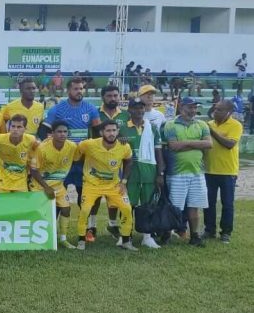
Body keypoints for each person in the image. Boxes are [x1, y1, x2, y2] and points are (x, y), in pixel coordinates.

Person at [41, 77, 101, 229]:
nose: (79, 91)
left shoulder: (90, 108)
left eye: (81, 88)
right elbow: (44, 130)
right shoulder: (58, 109)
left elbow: (98, 133)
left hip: (82, 160)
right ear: (68, 90)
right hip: (63, 160)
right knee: (57, 195)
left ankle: (88, 227)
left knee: (84, 194)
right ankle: (51, 229)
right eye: (76, 89)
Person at [75, 120, 136, 251]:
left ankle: (126, 241)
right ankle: (81, 240)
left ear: (118, 132)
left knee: (127, 209)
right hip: (92, 185)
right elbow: (77, 154)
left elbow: (129, 161)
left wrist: (124, 181)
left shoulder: (124, 146)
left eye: (114, 130)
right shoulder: (89, 144)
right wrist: (86, 170)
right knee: (85, 210)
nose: (111, 133)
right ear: (102, 132)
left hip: (113, 185)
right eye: (108, 131)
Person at [160, 97, 213, 247]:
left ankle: (194, 235)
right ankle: (167, 234)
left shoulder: (202, 124)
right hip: (177, 173)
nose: (193, 110)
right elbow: (174, 146)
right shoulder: (170, 125)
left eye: (195, 107)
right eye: (190, 107)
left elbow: (209, 144)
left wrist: (186, 143)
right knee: (175, 207)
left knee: (194, 206)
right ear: (181, 107)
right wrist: (197, 144)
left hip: (197, 172)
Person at [119, 98, 165, 249]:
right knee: (127, 205)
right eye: (135, 108)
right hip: (129, 171)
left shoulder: (152, 127)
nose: (139, 110)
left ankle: (147, 236)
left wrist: (160, 174)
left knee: (148, 204)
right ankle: (124, 235)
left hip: (148, 171)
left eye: (141, 108)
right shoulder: (122, 128)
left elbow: (158, 151)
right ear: (129, 110)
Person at [30, 121, 77, 249]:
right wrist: (46, 187)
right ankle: (38, 237)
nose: (62, 134)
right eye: (59, 132)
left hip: (59, 186)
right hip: (41, 186)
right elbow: (33, 170)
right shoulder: (42, 148)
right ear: (52, 134)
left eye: (65, 132)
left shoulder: (72, 146)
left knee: (66, 209)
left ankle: (63, 239)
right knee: (39, 213)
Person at [204, 100, 243, 244]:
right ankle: (209, 230)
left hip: (228, 172)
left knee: (227, 204)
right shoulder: (210, 124)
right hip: (209, 170)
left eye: (220, 110)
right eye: (215, 109)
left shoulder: (236, 125)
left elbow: (229, 144)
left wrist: (212, 132)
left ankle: (226, 232)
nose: (215, 112)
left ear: (229, 112)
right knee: (209, 202)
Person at [0, 114, 39, 193]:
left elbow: (40, 148)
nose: (15, 129)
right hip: (1, 183)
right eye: (13, 126)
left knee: (22, 205)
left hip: (21, 184)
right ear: (9, 127)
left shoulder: (31, 140)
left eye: (19, 127)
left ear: (25, 129)